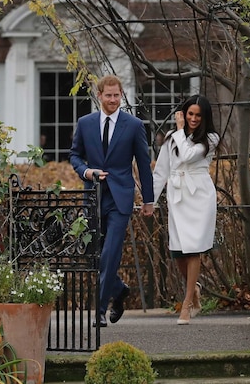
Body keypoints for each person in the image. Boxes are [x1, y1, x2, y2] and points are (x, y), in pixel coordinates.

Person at [69, 75, 154, 328]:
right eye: (108, 95)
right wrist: (87, 172)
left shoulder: (134, 125)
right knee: (95, 255)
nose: (113, 100)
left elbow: (143, 164)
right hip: (93, 196)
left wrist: (148, 200)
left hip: (120, 199)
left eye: (117, 95)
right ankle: (119, 290)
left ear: (121, 95)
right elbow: (74, 155)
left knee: (110, 253)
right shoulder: (85, 123)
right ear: (99, 95)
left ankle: (100, 311)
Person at [152, 95, 220, 325]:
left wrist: (180, 130)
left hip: (199, 195)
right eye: (190, 114)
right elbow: (162, 170)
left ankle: (187, 303)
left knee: (194, 249)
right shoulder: (172, 138)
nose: (193, 119)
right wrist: (149, 200)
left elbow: (189, 156)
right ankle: (196, 289)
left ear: (204, 117)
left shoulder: (210, 138)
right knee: (178, 251)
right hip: (178, 196)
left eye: (198, 115)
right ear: (184, 113)